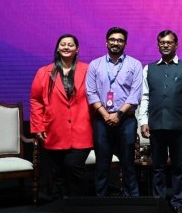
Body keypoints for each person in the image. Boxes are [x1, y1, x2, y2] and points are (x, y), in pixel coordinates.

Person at [138, 30, 182, 213]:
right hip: (156, 126)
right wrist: (143, 121)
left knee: (179, 167)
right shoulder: (148, 69)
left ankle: (177, 203)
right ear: (158, 45)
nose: (165, 45)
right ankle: (159, 202)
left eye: (169, 42)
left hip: (179, 126)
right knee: (157, 167)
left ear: (176, 45)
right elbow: (144, 97)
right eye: (162, 43)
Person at [30, 34, 93, 202]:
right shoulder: (44, 72)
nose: (66, 47)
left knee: (73, 165)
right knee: (58, 172)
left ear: (77, 49)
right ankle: (66, 204)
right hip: (54, 129)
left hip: (82, 129)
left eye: (70, 45)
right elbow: (36, 100)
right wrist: (38, 127)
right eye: (63, 44)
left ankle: (79, 203)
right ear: (58, 48)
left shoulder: (88, 70)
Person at [86, 27, 143, 197]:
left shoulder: (135, 64)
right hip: (102, 120)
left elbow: (135, 94)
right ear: (106, 42)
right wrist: (106, 115)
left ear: (125, 43)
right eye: (112, 39)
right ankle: (101, 200)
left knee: (128, 163)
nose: (116, 43)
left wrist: (118, 115)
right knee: (102, 164)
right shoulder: (95, 64)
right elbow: (91, 92)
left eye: (120, 40)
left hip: (126, 120)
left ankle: (132, 200)